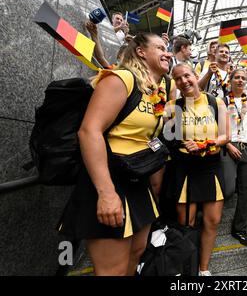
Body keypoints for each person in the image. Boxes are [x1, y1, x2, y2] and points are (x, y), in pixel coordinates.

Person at [58, 32, 173, 276]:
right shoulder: (120, 79)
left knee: (136, 254)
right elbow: (89, 131)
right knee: (113, 271)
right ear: (141, 52)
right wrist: (107, 193)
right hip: (110, 180)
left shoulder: (154, 90)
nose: (168, 53)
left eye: (168, 48)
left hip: (137, 181)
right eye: (161, 47)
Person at [164, 63, 229, 276]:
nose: (184, 81)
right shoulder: (173, 106)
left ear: (195, 75)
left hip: (210, 166)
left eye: (187, 76)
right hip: (185, 168)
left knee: (212, 221)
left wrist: (206, 144)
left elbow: (225, 135)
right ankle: (185, 269)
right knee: (185, 222)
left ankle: (203, 269)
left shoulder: (215, 101)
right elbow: (166, 136)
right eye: (178, 78)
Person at [221, 69, 247, 247]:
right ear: (230, 80)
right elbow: (216, 127)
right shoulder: (221, 101)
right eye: (237, 77)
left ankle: (240, 228)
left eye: (243, 78)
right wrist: (228, 145)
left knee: (246, 191)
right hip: (229, 146)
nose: (240, 80)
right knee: (228, 189)